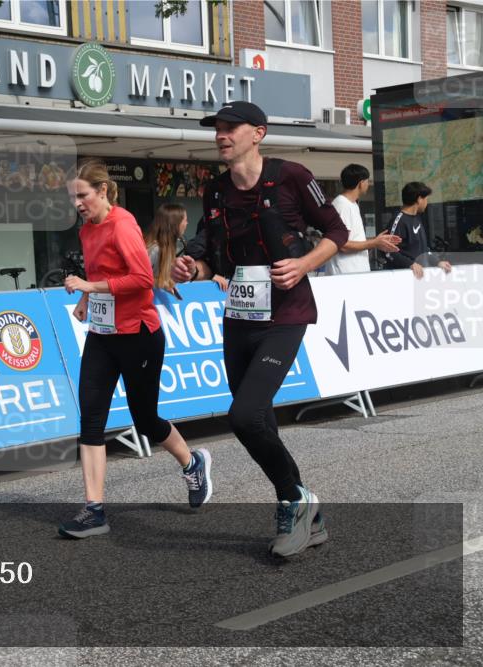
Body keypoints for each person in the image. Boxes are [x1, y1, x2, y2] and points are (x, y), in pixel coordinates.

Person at [171, 101, 349, 558]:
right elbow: (212, 253)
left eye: (231, 128)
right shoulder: (214, 191)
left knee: (244, 415)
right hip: (239, 316)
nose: (221, 135)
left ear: (259, 133)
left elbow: (336, 231)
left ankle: (296, 500)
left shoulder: (291, 175)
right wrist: (192, 268)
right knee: (260, 419)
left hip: (286, 316)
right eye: (217, 129)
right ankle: (303, 509)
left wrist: (304, 264)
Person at [58, 159, 213, 539]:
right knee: (90, 420)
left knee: (145, 420)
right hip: (102, 334)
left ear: (104, 191)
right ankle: (94, 510)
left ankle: (193, 463)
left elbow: (143, 279)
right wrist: (85, 301)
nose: (78, 203)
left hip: (139, 334)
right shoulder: (87, 232)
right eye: (73, 197)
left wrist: (89, 287)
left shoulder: (122, 224)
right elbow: (100, 273)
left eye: (83, 195)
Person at [325, 164, 400, 275]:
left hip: (354, 272)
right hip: (345, 274)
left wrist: (377, 241)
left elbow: (352, 239)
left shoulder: (351, 204)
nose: (368, 184)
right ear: (361, 183)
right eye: (367, 181)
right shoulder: (342, 205)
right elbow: (342, 245)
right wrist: (374, 243)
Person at [384, 182, 453, 279]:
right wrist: (410, 264)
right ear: (419, 199)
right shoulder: (399, 221)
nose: (426, 203)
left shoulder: (417, 219)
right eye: (426, 199)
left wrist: (437, 262)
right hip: (402, 278)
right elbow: (388, 252)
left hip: (419, 279)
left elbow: (424, 249)